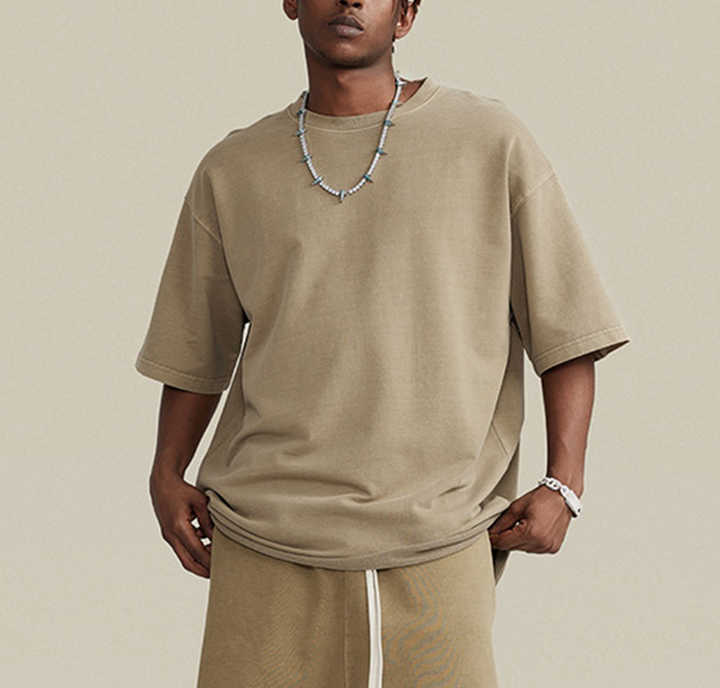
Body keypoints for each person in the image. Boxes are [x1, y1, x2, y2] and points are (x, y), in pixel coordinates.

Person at [134, 1, 631, 686]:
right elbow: (195, 347)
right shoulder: (232, 169)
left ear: (406, 14)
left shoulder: (490, 142)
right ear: (290, 3)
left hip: (437, 539)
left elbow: (567, 328)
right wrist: (165, 472)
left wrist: (564, 483)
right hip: (262, 536)